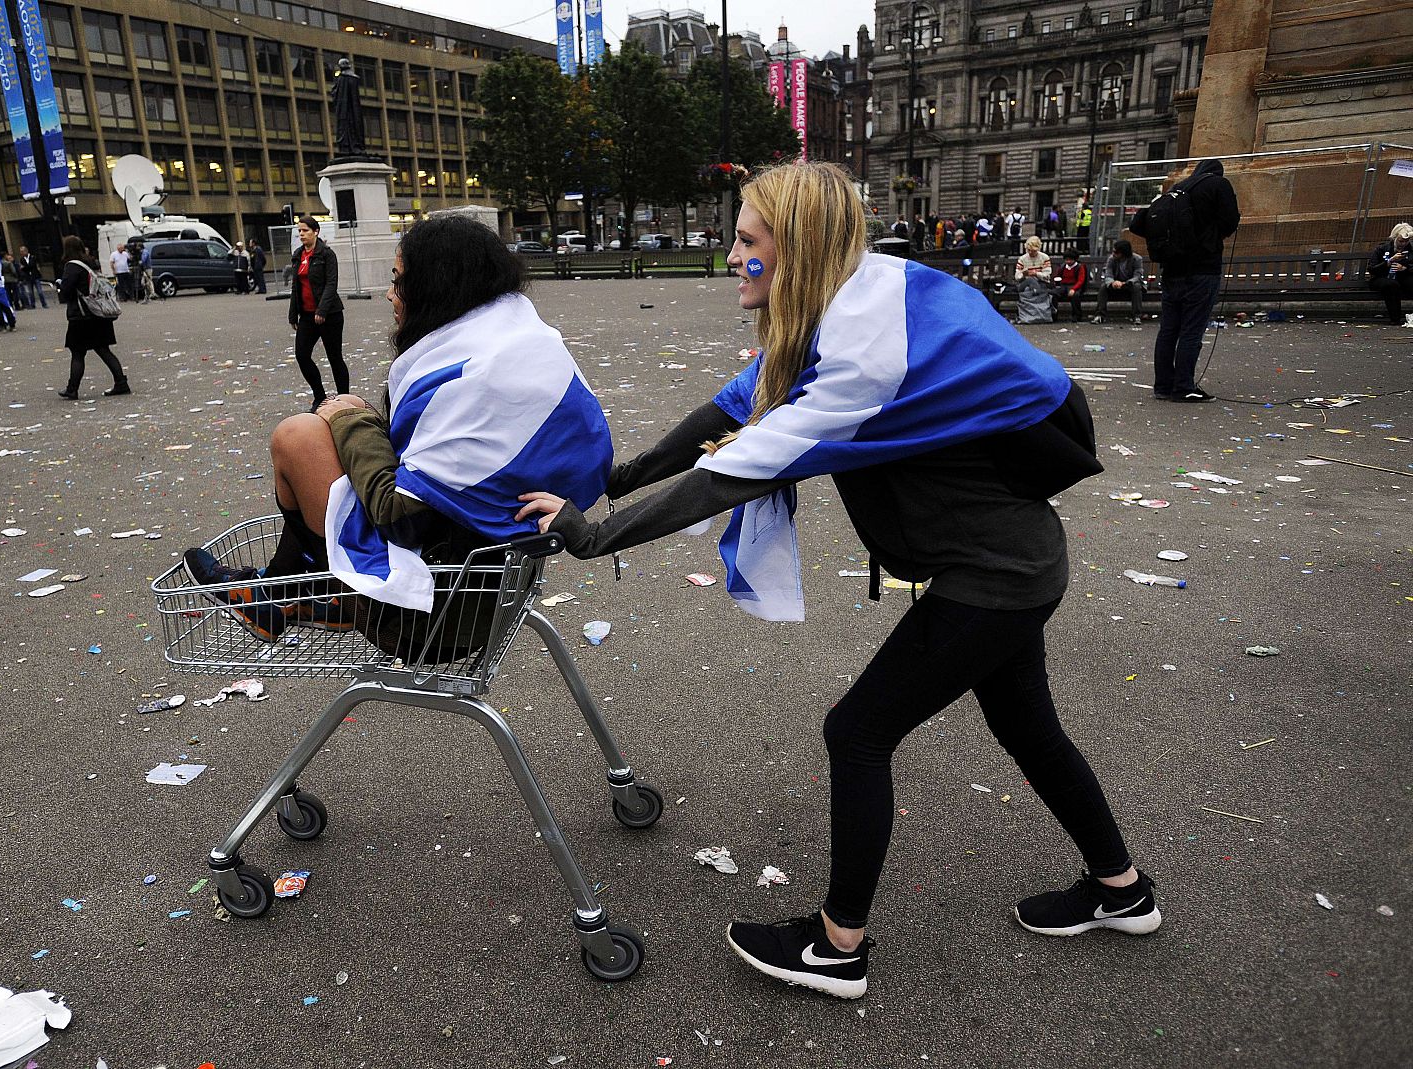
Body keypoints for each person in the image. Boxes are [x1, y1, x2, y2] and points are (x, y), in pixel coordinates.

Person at [515, 160, 1154, 1002]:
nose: (730, 256)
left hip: (992, 575)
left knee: (857, 732)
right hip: (1015, 560)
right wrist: (617, 475)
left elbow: (740, 465)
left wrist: (590, 533)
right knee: (1029, 729)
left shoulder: (862, 356)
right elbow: (732, 408)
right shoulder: (859, 296)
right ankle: (1122, 890)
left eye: (746, 241)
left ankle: (835, 947)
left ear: (796, 247)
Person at [184, 216, 611, 653]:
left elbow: (398, 516)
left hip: (425, 616)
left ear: (437, 286)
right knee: (346, 423)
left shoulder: (477, 381)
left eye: (399, 280)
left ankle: (292, 595)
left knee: (299, 436)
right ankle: (278, 593)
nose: (390, 294)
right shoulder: (520, 348)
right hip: (481, 591)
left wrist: (355, 422)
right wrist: (362, 421)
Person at [1132, 158, 1239, 402]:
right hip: (1202, 268)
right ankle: (1183, 386)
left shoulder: (1176, 189)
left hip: (1172, 270)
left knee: (1169, 329)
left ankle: (1163, 386)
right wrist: (1209, 236)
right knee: (1192, 329)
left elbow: (1142, 222)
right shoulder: (1218, 185)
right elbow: (1229, 221)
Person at [289, 214, 349, 411]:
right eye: (299, 231)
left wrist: (322, 309)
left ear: (316, 232)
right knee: (302, 355)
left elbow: (332, 283)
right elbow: (295, 287)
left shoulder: (326, 254)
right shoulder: (298, 255)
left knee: (334, 357)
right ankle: (319, 395)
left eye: (305, 231)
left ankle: (344, 398)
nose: (301, 234)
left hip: (329, 314)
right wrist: (293, 314)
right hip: (306, 315)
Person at [57, 235, 129, 400]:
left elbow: (67, 292)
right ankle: (121, 382)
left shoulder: (71, 266)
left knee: (77, 353)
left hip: (81, 316)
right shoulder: (89, 263)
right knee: (103, 350)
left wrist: (60, 287)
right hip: (98, 313)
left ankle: (72, 388)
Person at [1365, 222, 1413, 327]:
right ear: (1395, 238)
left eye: (1406, 241)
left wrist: (1405, 268)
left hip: (1402, 277)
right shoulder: (1382, 249)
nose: (1403, 244)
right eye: (1401, 241)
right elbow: (1372, 269)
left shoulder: (1411, 250)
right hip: (1381, 278)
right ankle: (1395, 319)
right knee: (1391, 285)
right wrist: (1388, 262)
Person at [1093, 239, 1145, 324]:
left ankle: (1137, 316)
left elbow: (1137, 275)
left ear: (1123, 253)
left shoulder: (1137, 259)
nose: (1114, 254)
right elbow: (1108, 273)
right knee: (1103, 288)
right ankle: (1100, 315)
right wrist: (1112, 282)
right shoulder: (1111, 259)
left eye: (1116, 252)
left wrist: (1125, 283)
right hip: (1115, 284)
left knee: (1137, 287)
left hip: (1129, 284)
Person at [1013, 236, 1054, 323]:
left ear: (1038, 248)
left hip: (1041, 282)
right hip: (1025, 283)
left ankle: (1030, 316)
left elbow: (1047, 275)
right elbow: (1017, 277)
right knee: (1030, 280)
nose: (1031, 253)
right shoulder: (1022, 259)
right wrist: (1023, 275)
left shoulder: (1044, 258)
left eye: (1034, 251)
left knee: (1032, 280)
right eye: (1029, 250)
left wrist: (1036, 274)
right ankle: (1036, 291)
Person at [1053, 248, 1088, 323]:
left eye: (1070, 260)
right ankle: (1053, 315)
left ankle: (1077, 315)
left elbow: (1081, 280)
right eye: (1066, 260)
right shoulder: (1063, 267)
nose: (1068, 262)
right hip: (1063, 285)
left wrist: (1074, 289)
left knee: (1075, 296)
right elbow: (1058, 276)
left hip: (1074, 285)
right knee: (1054, 294)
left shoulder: (1079, 267)